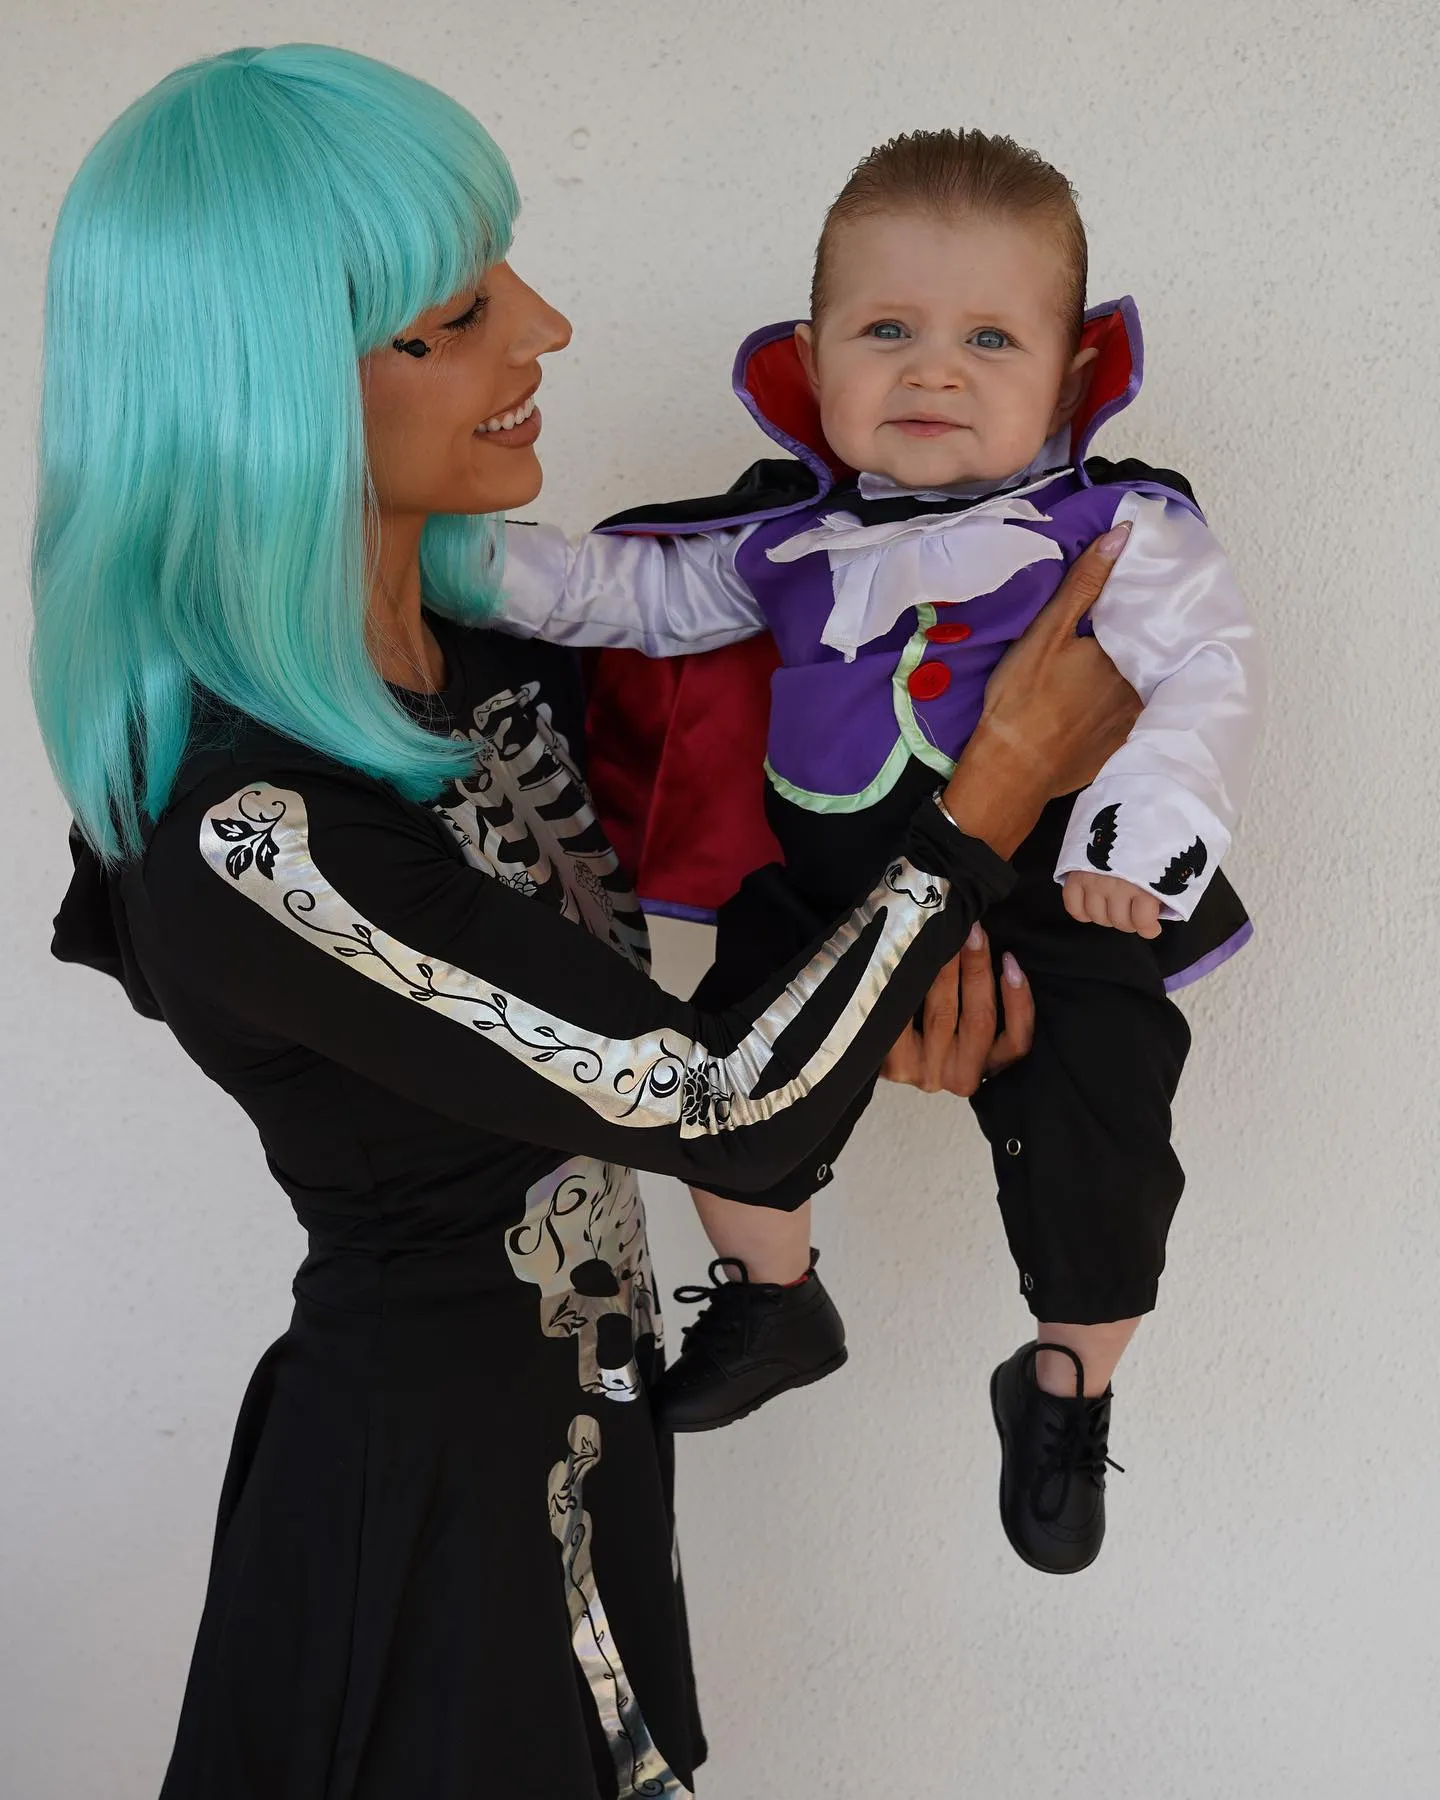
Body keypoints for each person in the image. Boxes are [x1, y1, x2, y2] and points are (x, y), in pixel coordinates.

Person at [33, 50, 1142, 1798]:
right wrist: (988, 802)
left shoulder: (480, 660)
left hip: (592, 1474)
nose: (544, 330)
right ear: (271, 387)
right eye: (458, 315)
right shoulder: (252, 832)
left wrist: (927, 981)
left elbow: (728, 1026)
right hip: (420, 1533)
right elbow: (732, 1111)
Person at [497, 128, 1265, 1575]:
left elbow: (1206, 670)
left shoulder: (1116, 529)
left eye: (990, 337)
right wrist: (457, 561)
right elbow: (625, 595)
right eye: (888, 331)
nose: (935, 372)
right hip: (831, 904)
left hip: (1056, 904)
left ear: (1072, 377)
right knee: (709, 1080)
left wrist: (1139, 842)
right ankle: (775, 1294)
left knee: (1108, 1141)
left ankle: (1069, 1386)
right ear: (812, 362)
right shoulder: (784, 544)